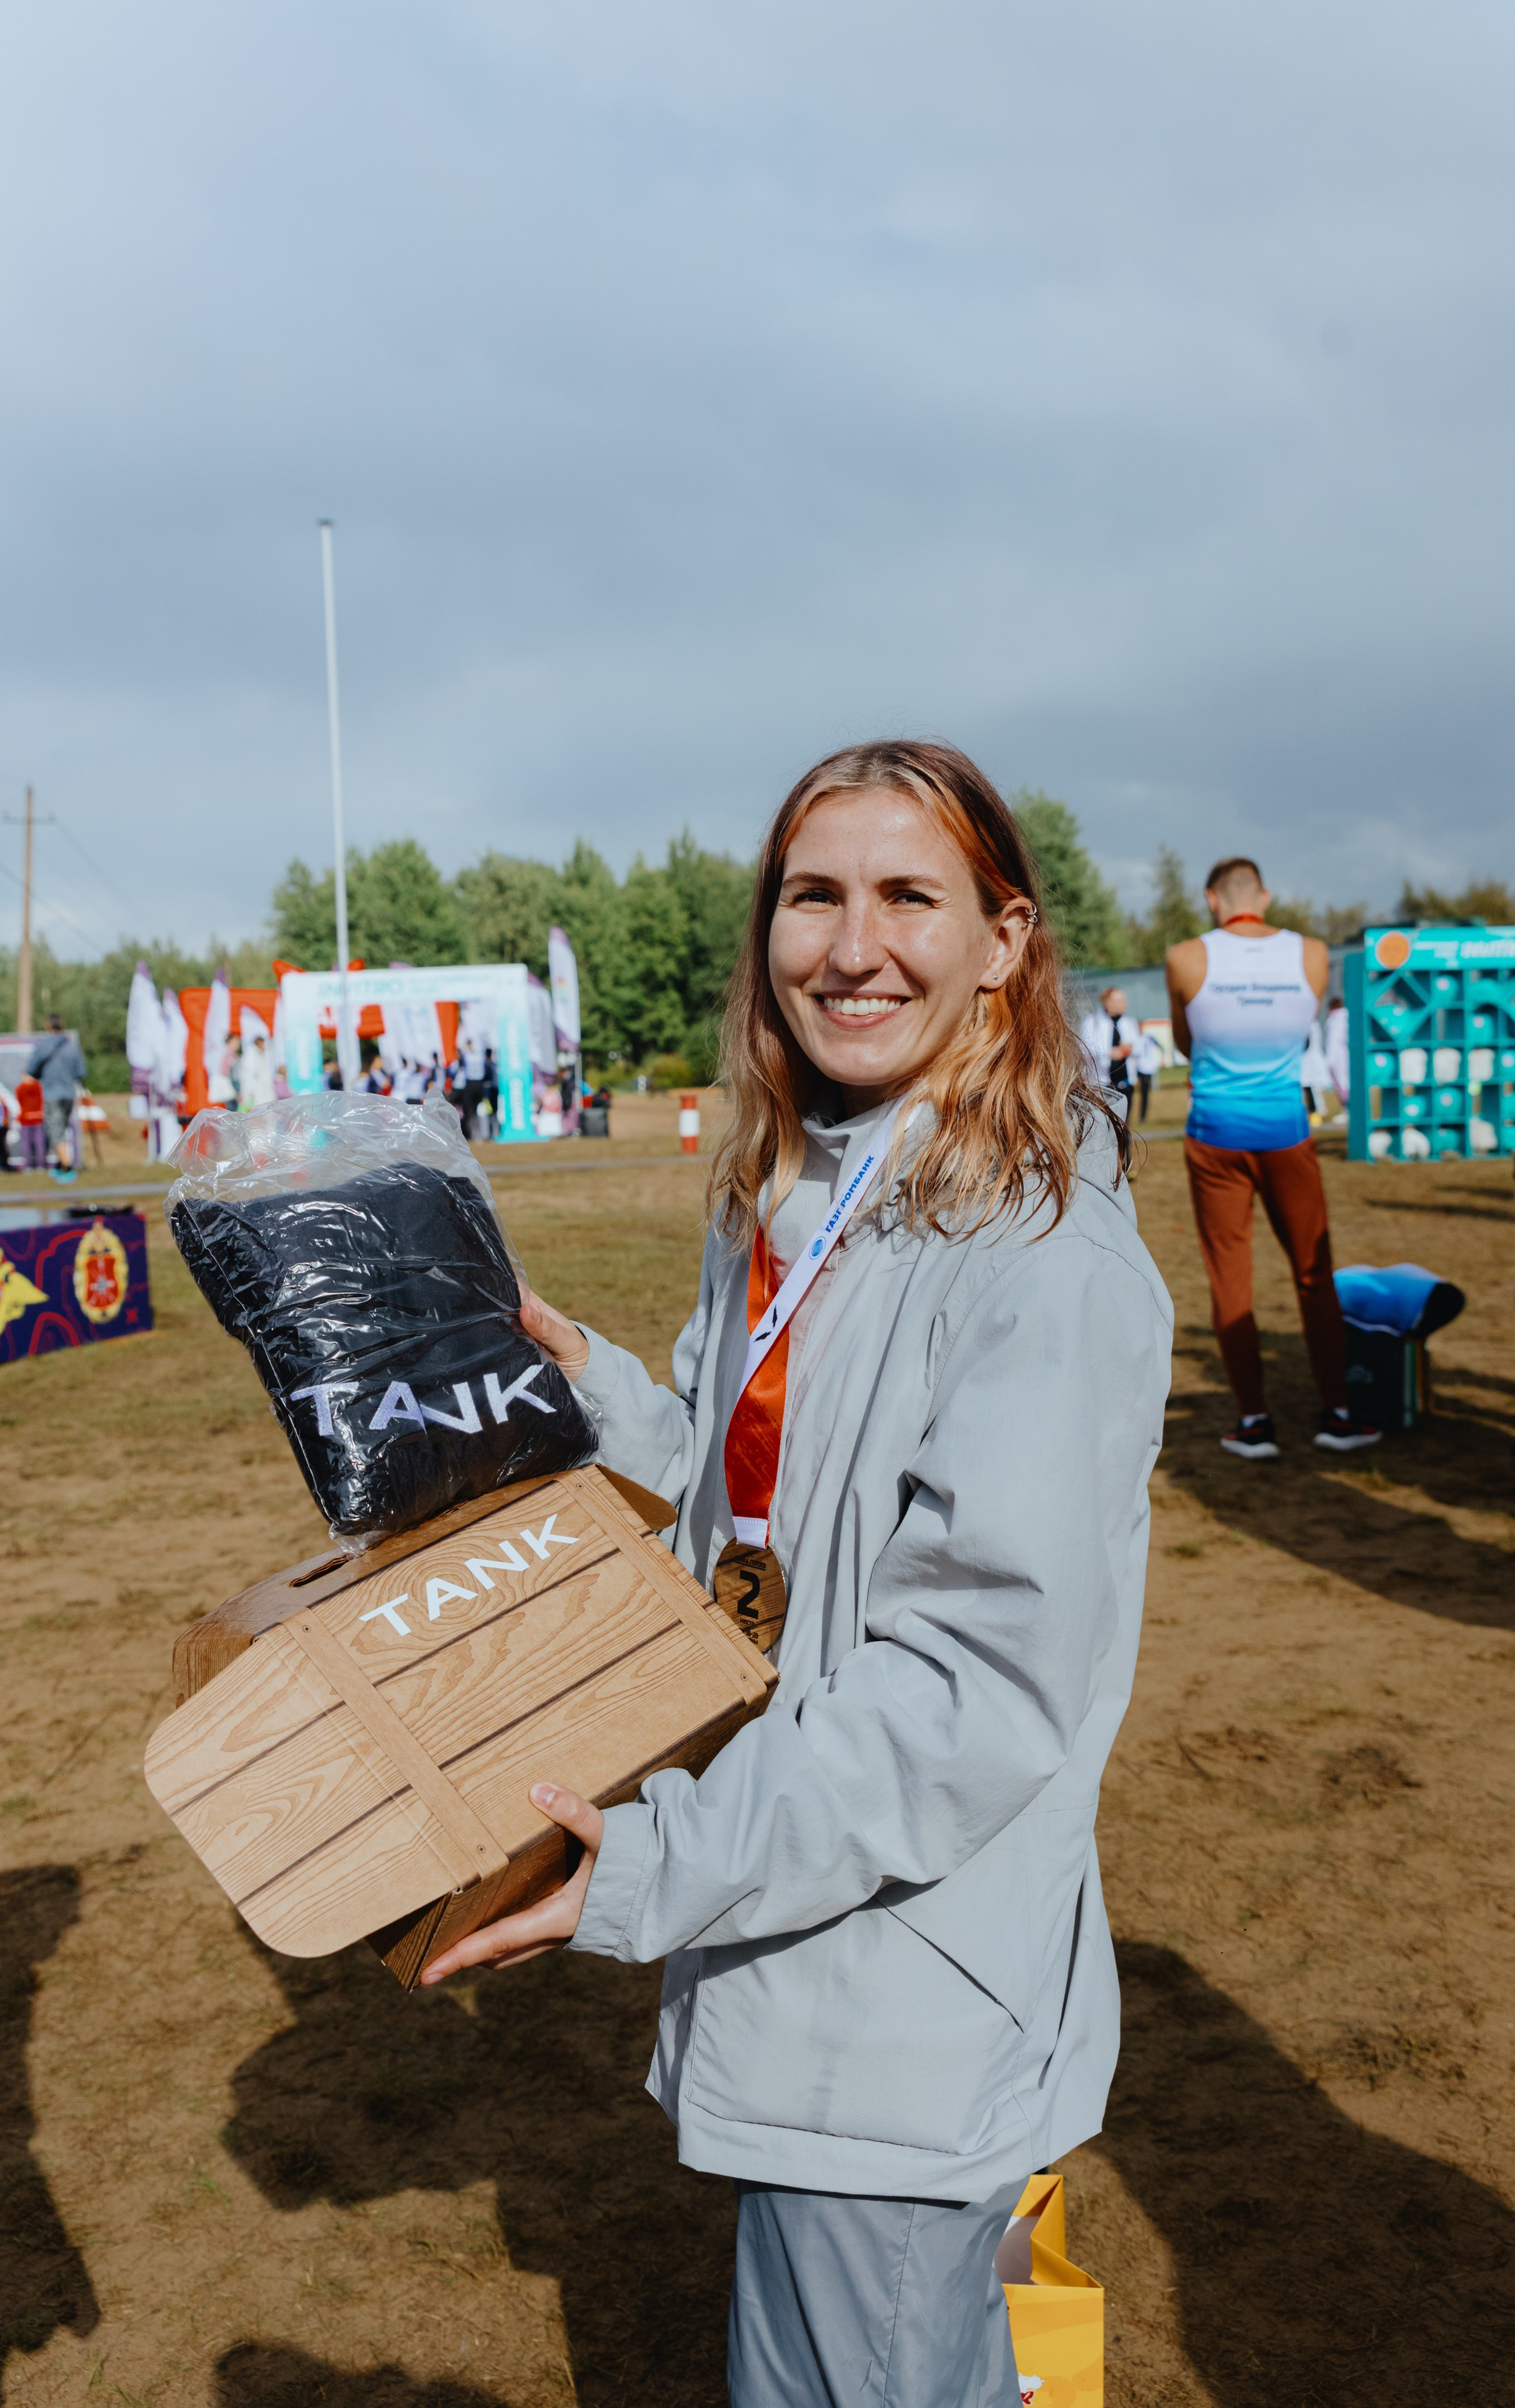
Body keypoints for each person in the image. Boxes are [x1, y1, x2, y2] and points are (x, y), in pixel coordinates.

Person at [420, 741, 1172, 2408]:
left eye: (912, 896)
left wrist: (649, 1870)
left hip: (900, 1990)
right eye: (813, 896)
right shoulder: (813, 1185)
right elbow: (759, 1512)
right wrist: (588, 1391)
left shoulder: (1039, 1262)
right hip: (808, 1943)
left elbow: (970, 1698)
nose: (854, 945)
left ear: (1009, 938)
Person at [1166, 858, 1379, 1459]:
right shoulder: (1311, 954)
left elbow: (1188, 1043)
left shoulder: (1185, 957)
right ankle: (1337, 1413)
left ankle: (1254, 1422)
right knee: (1315, 1275)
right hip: (1287, 1131)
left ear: (1212, 899)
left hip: (1215, 1133)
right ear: (1263, 895)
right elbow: (1299, 1030)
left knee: (1230, 1277)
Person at [27, 1014, 87, 1181]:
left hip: (52, 1093)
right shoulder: (72, 1046)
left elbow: (32, 1070)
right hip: (69, 1093)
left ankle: (67, 1166)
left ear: (47, 1026)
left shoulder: (43, 1045)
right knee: (62, 1128)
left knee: (55, 1129)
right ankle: (62, 1164)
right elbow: (81, 1072)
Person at [1077, 985, 1137, 1101]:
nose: (1125, 1003)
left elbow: (1139, 1047)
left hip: (1125, 1082)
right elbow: (1085, 1048)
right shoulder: (1093, 1022)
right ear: (1108, 1003)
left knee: (1125, 1118)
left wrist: (1128, 1050)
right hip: (1102, 1083)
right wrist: (1109, 1053)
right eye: (1120, 1000)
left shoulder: (1129, 1023)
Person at [1129, 1023, 1162, 1123]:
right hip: (1135, 1068)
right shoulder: (1133, 1038)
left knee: (1145, 1094)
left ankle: (1143, 1117)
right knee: (1130, 1093)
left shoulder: (1148, 1038)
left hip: (1146, 1069)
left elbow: (1160, 1046)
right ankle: (1128, 1117)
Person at [237, 1032, 276, 1112]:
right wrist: (249, 1092)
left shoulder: (260, 1054)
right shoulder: (251, 1056)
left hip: (263, 1090)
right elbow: (249, 1076)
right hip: (256, 1091)